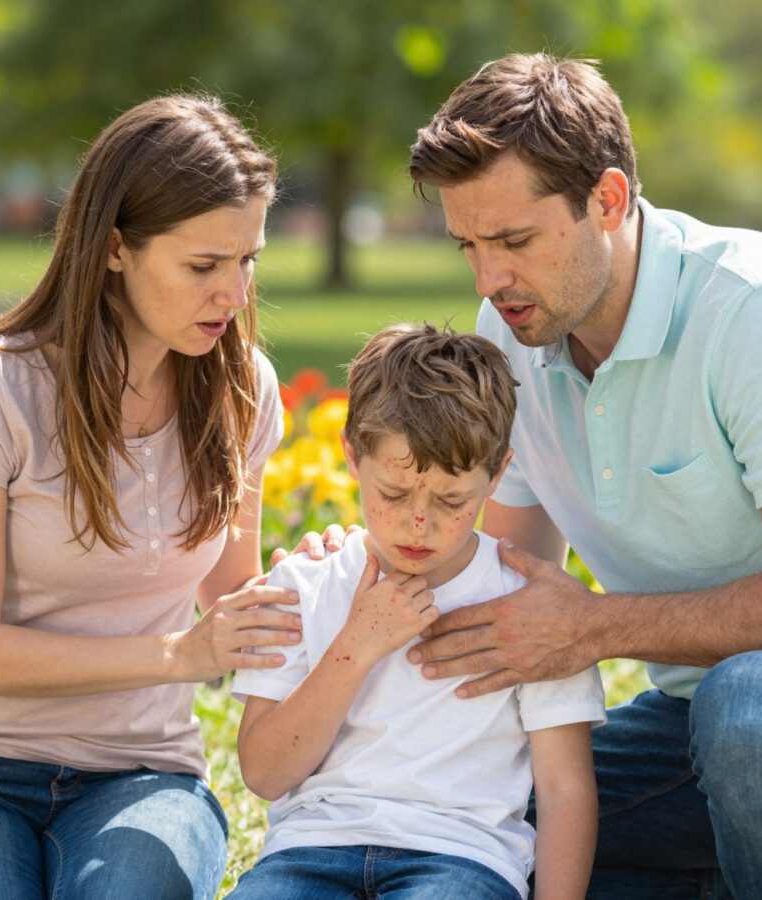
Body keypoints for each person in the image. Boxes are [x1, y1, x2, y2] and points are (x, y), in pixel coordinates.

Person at [397, 53, 762, 898]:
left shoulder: (759, 312)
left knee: (754, 709)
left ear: (610, 200)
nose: (490, 280)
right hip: (703, 732)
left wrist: (590, 627)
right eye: (469, 245)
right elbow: (501, 586)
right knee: (493, 808)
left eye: (514, 241)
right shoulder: (511, 330)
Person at [0, 94, 303, 900]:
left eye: (248, 261)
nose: (235, 295)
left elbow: (230, 588)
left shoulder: (243, 390)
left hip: (141, 776)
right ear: (113, 251)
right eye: (203, 266)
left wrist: (308, 586)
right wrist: (181, 655)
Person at [227, 324, 606, 900]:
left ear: (498, 474)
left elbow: (564, 791)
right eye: (395, 493)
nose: (419, 522)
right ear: (352, 456)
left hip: (459, 860)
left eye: (452, 500)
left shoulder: (531, 609)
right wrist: (357, 646)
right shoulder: (306, 582)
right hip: (309, 854)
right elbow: (264, 772)